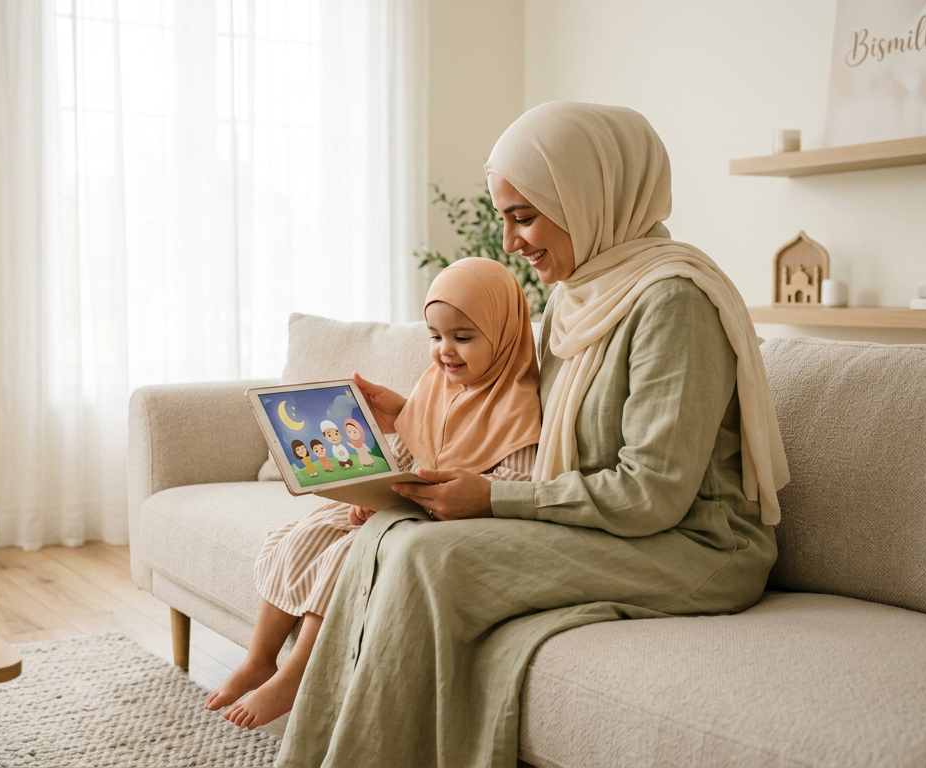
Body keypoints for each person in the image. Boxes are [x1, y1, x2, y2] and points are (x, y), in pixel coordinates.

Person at [275, 102, 792, 768]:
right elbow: (524, 423)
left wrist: (492, 500)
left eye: (524, 217)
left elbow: (653, 495)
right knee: (389, 533)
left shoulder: (673, 303)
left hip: (694, 544)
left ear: (591, 197)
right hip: (611, 525)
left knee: (433, 558)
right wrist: (411, 415)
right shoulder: (578, 295)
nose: (511, 244)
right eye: (505, 219)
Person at [204, 257, 544, 730]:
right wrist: (376, 489)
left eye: (463, 337)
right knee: (306, 532)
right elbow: (409, 452)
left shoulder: (519, 406)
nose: (446, 351)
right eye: (435, 336)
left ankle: (298, 675)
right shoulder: (437, 385)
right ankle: (260, 658)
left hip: (456, 524)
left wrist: (420, 500)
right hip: (405, 507)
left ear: (504, 334)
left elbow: (514, 488)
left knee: (347, 558)